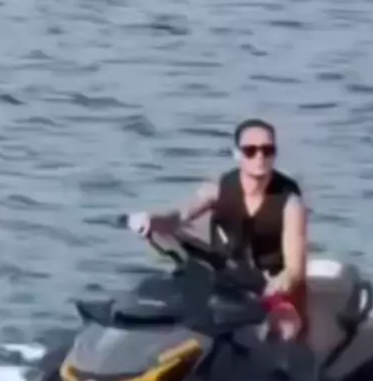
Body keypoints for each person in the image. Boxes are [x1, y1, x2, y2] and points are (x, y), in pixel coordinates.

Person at [129, 118, 308, 340]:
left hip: (272, 287)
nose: (260, 157)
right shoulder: (220, 187)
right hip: (231, 278)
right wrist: (154, 220)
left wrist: (279, 285)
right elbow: (180, 216)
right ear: (237, 154)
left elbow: (294, 271)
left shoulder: (290, 203)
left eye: (267, 150)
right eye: (250, 150)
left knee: (286, 327)